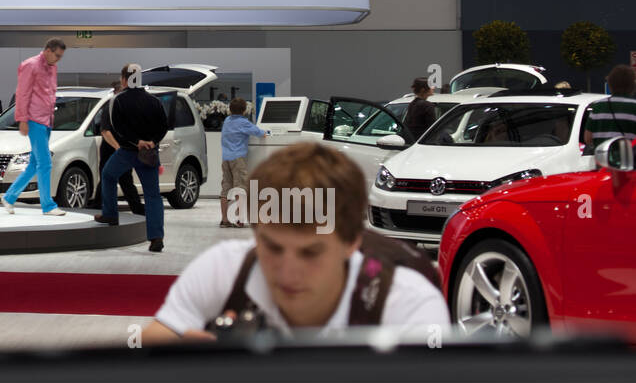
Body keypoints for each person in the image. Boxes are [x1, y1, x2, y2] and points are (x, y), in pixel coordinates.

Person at [142, 142, 449, 341]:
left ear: (353, 242)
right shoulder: (224, 267)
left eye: (311, 252)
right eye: (272, 248)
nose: (288, 272)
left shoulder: (406, 304)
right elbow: (155, 334)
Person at [95, 64, 169, 251]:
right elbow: (163, 125)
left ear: (124, 79)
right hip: (149, 153)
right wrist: (152, 141)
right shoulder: (154, 101)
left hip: (127, 151)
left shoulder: (118, 101)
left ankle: (110, 214)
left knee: (108, 175)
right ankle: (156, 238)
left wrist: (136, 141)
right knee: (153, 195)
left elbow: (118, 128)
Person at [0, 38, 67, 217]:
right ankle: (48, 205)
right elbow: (22, 92)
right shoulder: (30, 65)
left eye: (61, 56)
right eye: (57, 55)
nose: (59, 59)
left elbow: (49, 93)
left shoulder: (52, 67)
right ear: (48, 50)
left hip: (47, 120)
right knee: (45, 163)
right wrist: (22, 119)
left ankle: (9, 197)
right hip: (35, 119)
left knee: (35, 164)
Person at [96, 79, 144, 215]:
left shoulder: (127, 107)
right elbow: (105, 131)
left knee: (123, 179)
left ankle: (135, 208)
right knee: (109, 178)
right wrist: (119, 148)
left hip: (122, 149)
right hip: (112, 148)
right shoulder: (110, 106)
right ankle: (101, 207)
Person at [220, 97, 268, 228]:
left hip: (226, 158)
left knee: (225, 188)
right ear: (244, 110)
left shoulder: (227, 121)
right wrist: (266, 133)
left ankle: (224, 219)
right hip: (238, 159)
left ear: (230, 109)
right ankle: (239, 219)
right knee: (240, 188)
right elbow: (259, 133)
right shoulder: (243, 122)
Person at [583, 64, 636, 152]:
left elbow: (588, 138)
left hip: (603, 161)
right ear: (632, 85)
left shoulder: (598, 106)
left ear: (610, 84)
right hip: (629, 161)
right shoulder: (634, 106)